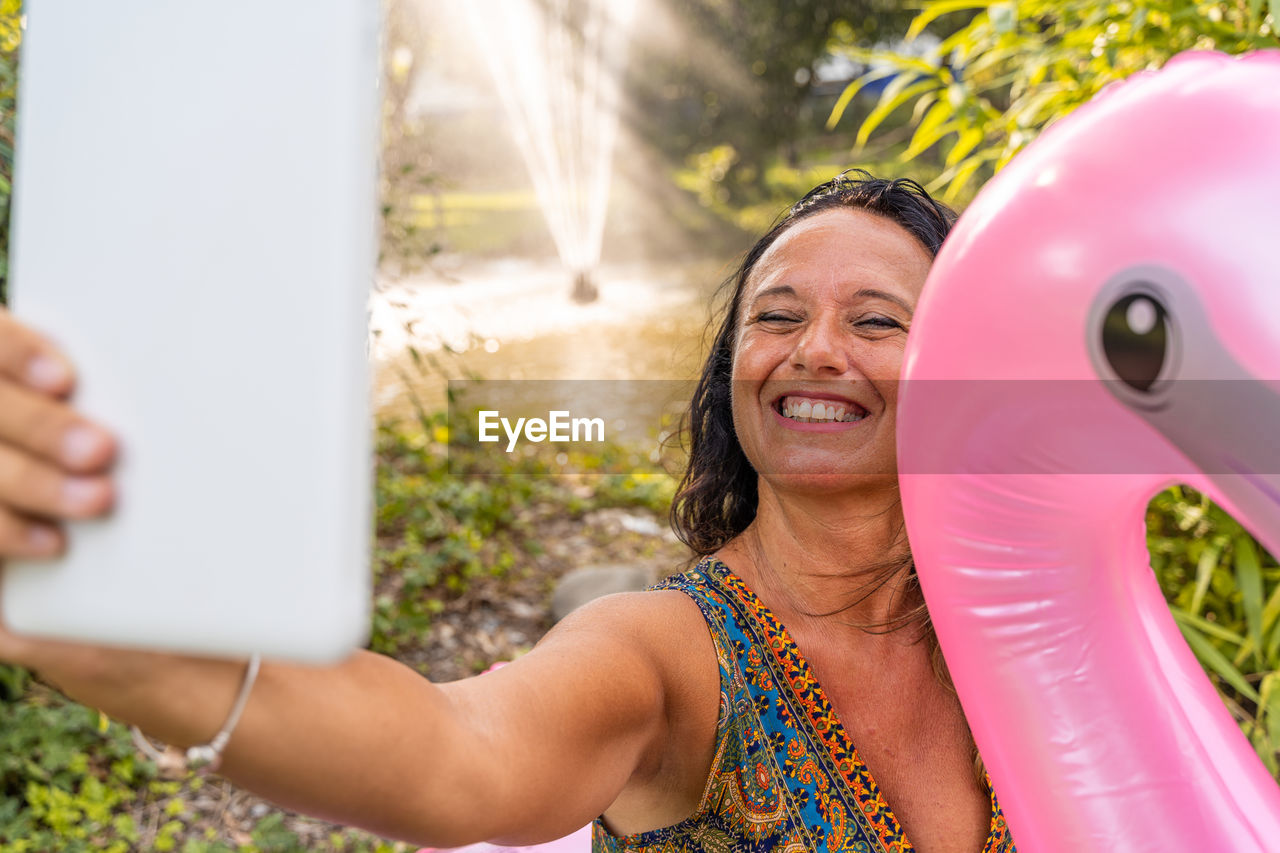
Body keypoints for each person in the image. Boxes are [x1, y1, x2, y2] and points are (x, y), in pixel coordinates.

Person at [0, 172, 1015, 852]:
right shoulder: (665, 653)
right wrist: (110, 625)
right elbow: (453, 753)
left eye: (875, 320)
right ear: (731, 372)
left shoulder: (1022, 631)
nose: (813, 352)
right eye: (776, 316)